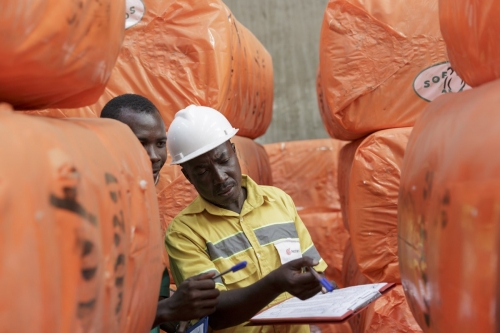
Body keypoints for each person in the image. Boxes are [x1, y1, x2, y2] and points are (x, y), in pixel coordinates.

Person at [165, 105, 329, 333]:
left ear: (234, 151)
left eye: (223, 159)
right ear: (187, 176)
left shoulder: (279, 202)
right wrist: (275, 284)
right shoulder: (184, 233)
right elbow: (215, 315)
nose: (220, 177)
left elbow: (315, 271)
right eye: (202, 171)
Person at [100, 94, 220, 333]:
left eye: (160, 143)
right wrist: (169, 309)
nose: (155, 156)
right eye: (140, 143)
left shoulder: (141, 203)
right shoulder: (99, 208)